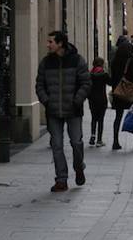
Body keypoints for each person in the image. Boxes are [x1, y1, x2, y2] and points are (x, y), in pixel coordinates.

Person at [35, 31, 91, 192]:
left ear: (60, 44)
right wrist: (46, 101)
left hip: (73, 110)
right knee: (57, 145)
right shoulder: (45, 63)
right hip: (53, 112)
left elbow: (86, 83)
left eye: (50, 41)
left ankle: (79, 167)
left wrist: (77, 100)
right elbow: (39, 85)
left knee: (76, 142)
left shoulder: (77, 60)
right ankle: (61, 179)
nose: (48, 44)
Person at [110, 39, 133, 150]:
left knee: (118, 117)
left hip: (118, 93)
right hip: (130, 92)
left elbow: (112, 79)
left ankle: (115, 141)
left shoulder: (114, 61)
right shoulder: (131, 61)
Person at [88, 57, 111, 147]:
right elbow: (111, 83)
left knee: (93, 118)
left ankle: (92, 136)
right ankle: (99, 140)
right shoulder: (104, 74)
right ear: (101, 64)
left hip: (92, 99)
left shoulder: (89, 74)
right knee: (100, 120)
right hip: (102, 100)